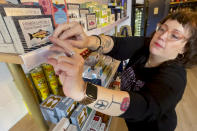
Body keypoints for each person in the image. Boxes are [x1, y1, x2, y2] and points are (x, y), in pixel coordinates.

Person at [47, 11, 197, 131]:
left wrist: (82, 92)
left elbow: (143, 105)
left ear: (185, 48)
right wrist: (87, 41)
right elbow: (117, 45)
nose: (162, 36)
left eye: (174, 35)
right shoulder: (147, 45)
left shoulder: (175, 78)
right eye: (162, 29)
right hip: (132, 123)